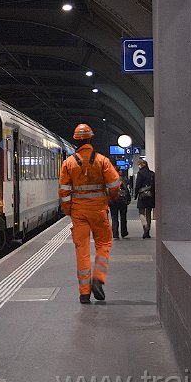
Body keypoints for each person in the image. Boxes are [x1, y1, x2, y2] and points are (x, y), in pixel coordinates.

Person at [59, 123, 123, 303]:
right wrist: (112, 196)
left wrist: (68, 210)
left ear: (76, 141)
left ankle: (84, 293)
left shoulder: (68, 163)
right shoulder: (102, 160)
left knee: (82, 250)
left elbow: (64, 192)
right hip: (99, 210)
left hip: (78, 212)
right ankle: (98, 278)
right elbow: (115, 184)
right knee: (104, 244)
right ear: (90, 138)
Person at [135, 158, 156, 238]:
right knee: (148, 213)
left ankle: (145, 227)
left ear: (141, 165)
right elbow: (154, 185)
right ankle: (148, 231)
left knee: (141, 212)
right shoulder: (152, 173)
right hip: (150, 195)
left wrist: (136, 195)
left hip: (142, 195)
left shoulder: (140, 173)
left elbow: (138, 185)